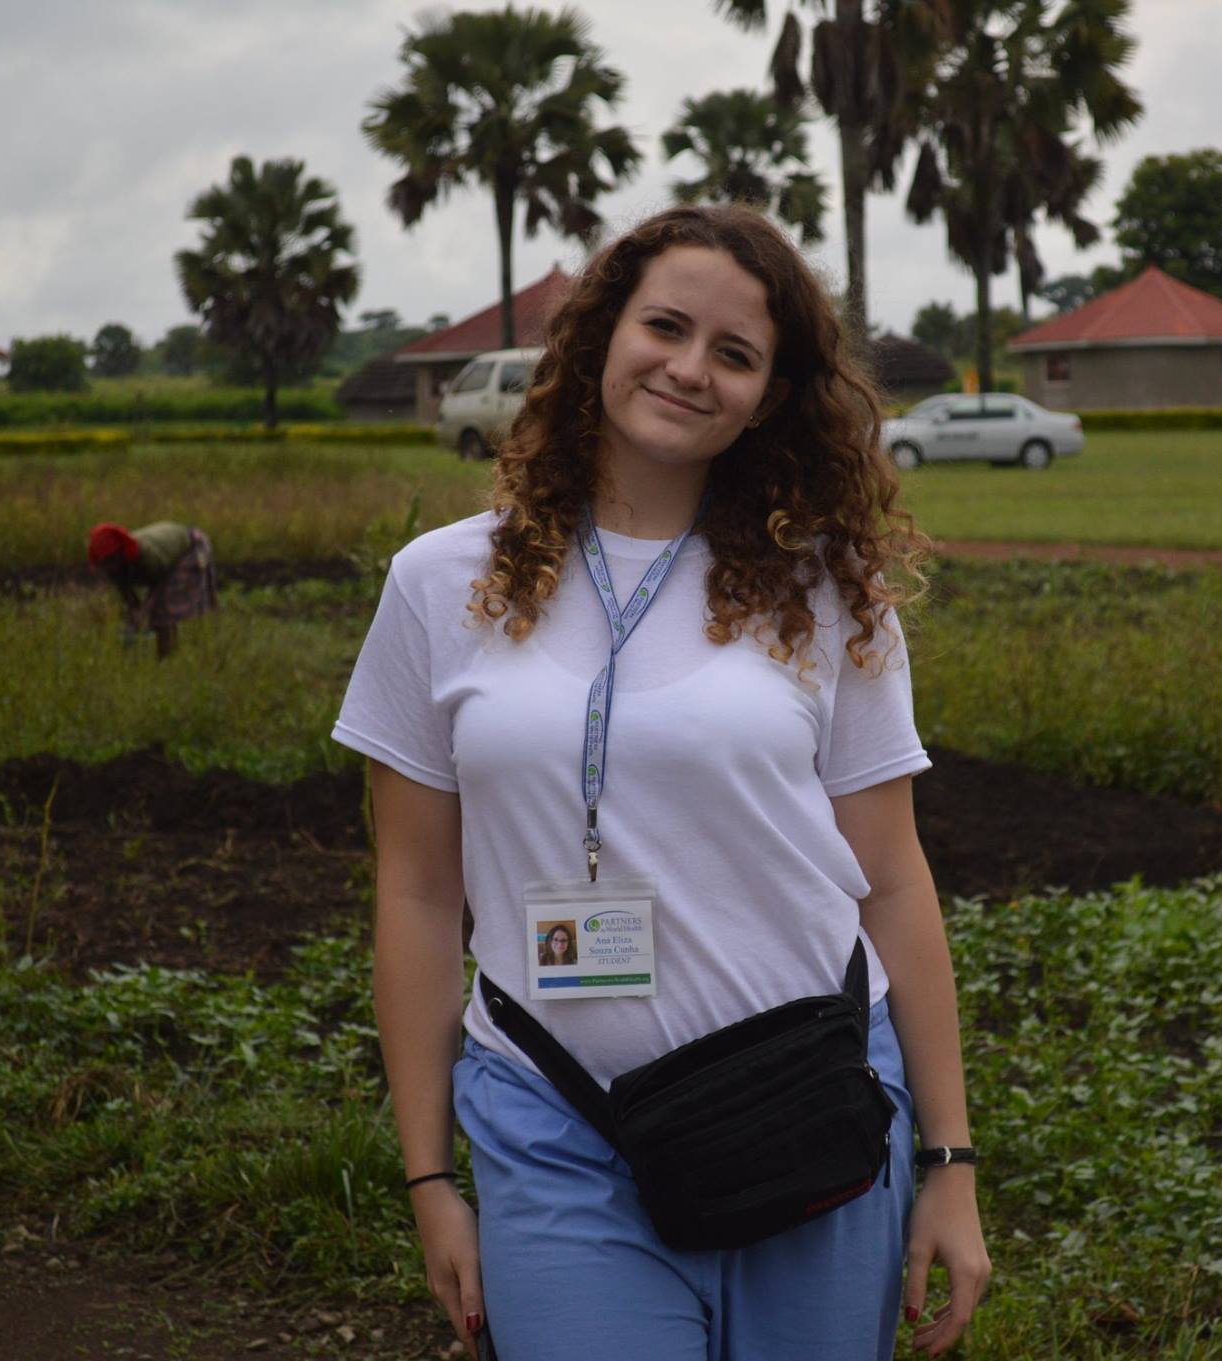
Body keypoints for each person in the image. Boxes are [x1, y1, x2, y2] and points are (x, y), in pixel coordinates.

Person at [333, 203, 989, 1360]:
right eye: (665, 327)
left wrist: (948, 1160)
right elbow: (420, 893)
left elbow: (888, 874)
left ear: (772, 394)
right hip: (556, 1119)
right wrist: (430, 1172)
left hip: (810, 1106)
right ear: (599, 337)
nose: (689, 369)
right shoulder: (439, 583)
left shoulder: (827, 590)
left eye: (734, 354)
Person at [86, 521, 218, 659]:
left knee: (164, 608)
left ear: (120, 552)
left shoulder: (146, 555)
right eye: (104, 562)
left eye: (111, 560)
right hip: (167, 557)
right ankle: (162, 655)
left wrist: (144, 611)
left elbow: (160, 584)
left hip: (191, 548)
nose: (109, 565)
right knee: (149, 612)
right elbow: (125, 591)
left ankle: (167, 657)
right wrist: (134, 610)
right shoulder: (110, 566)